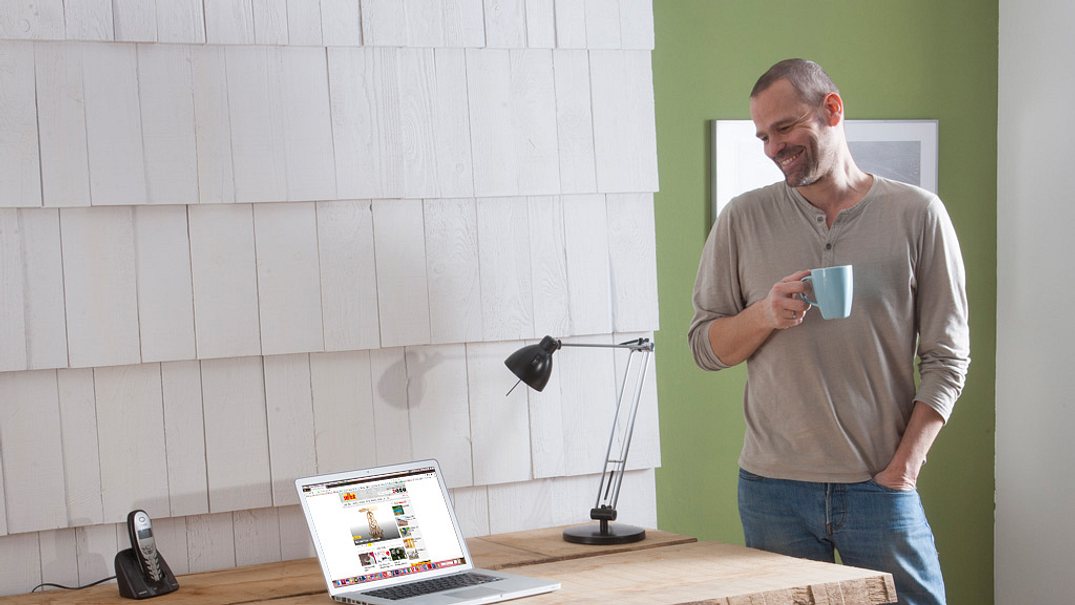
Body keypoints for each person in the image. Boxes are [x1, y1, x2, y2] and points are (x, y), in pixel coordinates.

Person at [688, 58, 970, 605]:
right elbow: (705, 347)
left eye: (785, 128)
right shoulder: (742, 218)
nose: (773, 148)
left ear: (832, 109)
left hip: (880, 484)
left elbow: (947, 359)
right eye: (763, 137)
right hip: (772, 490)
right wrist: (764, 314)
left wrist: (903, 471)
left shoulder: (918, 214)